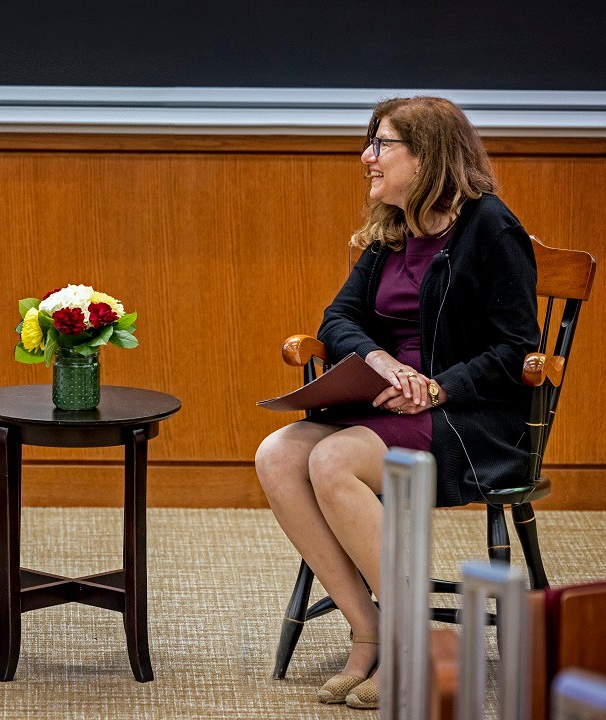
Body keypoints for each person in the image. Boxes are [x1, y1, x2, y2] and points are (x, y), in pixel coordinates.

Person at [254, 96, 538, 711]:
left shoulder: (491, 227)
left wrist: (437, 387)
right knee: (276, 454)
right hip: (389, 405)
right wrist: (380, 361)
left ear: (429, 154)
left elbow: (517, 348)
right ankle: (369, 629)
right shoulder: (393, 230)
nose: (367, 157)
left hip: (467, 419)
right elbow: (339, 319)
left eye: (382, 144)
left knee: (331, 462)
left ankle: (415, 644)